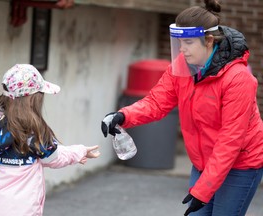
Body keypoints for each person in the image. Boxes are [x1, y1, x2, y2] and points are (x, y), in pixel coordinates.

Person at [101, 0, 263, 215]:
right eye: (178, 42)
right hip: (203, 162)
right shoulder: (181, 67)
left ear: (209, 40)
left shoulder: (239, 79)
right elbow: (157, 102)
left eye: (188, 42)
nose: (182, 50)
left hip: (240, 164)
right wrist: (123, 115)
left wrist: (203, 191)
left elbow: (230, 141)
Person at [0, 64, 100, 216]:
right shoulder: (32, 130)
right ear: (31, 100)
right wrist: (79, 151)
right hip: (23, 209)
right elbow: (53, 158)